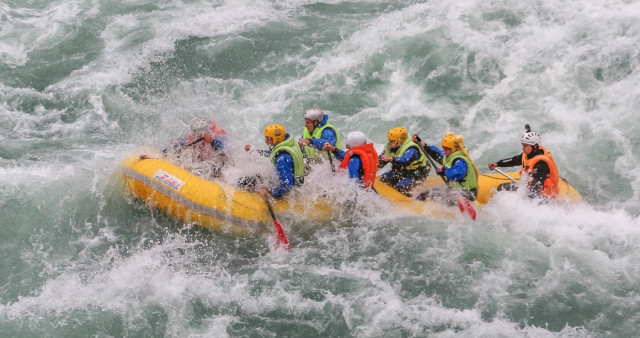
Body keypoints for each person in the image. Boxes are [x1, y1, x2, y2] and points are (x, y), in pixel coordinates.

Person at [488, 125, 560, 200]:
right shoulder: (529, 154)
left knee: (523, 194)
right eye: (523, 145)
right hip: (530, 187)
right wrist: (497, 163)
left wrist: (525, 200)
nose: (523, 148)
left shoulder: (540, 164)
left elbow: (536, 187)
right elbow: (514, 160)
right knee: (502, 187)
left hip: (544, 195)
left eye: (526, 145)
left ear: (535, 146)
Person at [415, 132, 479, 204]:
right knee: (427, 193)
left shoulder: (460, 161)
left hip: (467, 193)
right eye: (443, 148)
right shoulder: (448, 155)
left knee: (444, 199)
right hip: (455, 189)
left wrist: (444, 171)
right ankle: (417, 204)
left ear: (453, 149)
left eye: (446, 149)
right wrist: (421, 142)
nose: (444, 151)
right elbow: (436, 153)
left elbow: (458, 173)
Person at [244, 124, 304, 198]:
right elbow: (272, 153)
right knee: (253, 178)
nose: (266, 142)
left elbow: (288, 188)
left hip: (288, 193)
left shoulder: (282, 159)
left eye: (268, 139)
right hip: (288, 181)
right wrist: (255, 151)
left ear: (277, 139)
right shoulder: (287, 144)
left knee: (248, 181)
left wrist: (269, 192)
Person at [378, 127, 429, 194]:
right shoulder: (390, 147)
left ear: (400, 141)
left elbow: (405, 161)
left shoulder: (411, 148)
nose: (390, 142)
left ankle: (409, 197)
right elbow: (380, 162)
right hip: (401, 172)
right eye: (389, 140)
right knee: (382, 179)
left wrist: (391, 159)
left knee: (401, 187)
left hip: (417, 174)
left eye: (393, 141)